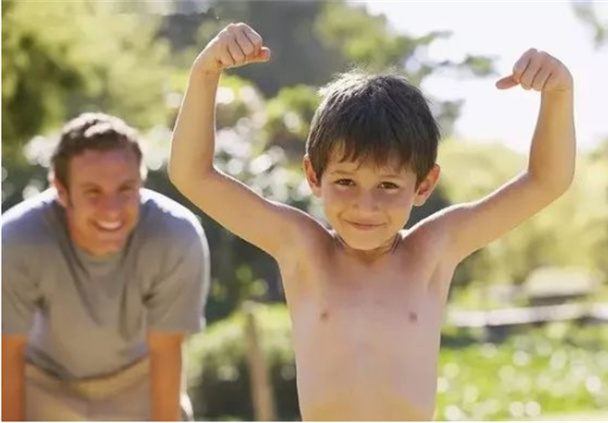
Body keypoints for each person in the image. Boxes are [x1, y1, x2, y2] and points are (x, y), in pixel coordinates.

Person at [169, 22, 575, 421]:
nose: (365, 206)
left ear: (424, 185)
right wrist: (206, 72)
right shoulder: (303, 249)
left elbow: (545, 181)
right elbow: (192, 174)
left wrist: (558, 94)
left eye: (387, 185)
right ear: (314, 177)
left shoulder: (433, 250)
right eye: (345, 181)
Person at [2, 113, 210, 421]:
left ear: (141, 182)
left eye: (126, 189)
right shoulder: (16, 241)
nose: (112, 210)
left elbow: (167, 352)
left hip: (138, 379)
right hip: (43, 381)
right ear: (61, 191)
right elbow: (7, 355)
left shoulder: (176, 237)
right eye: (93, 192)